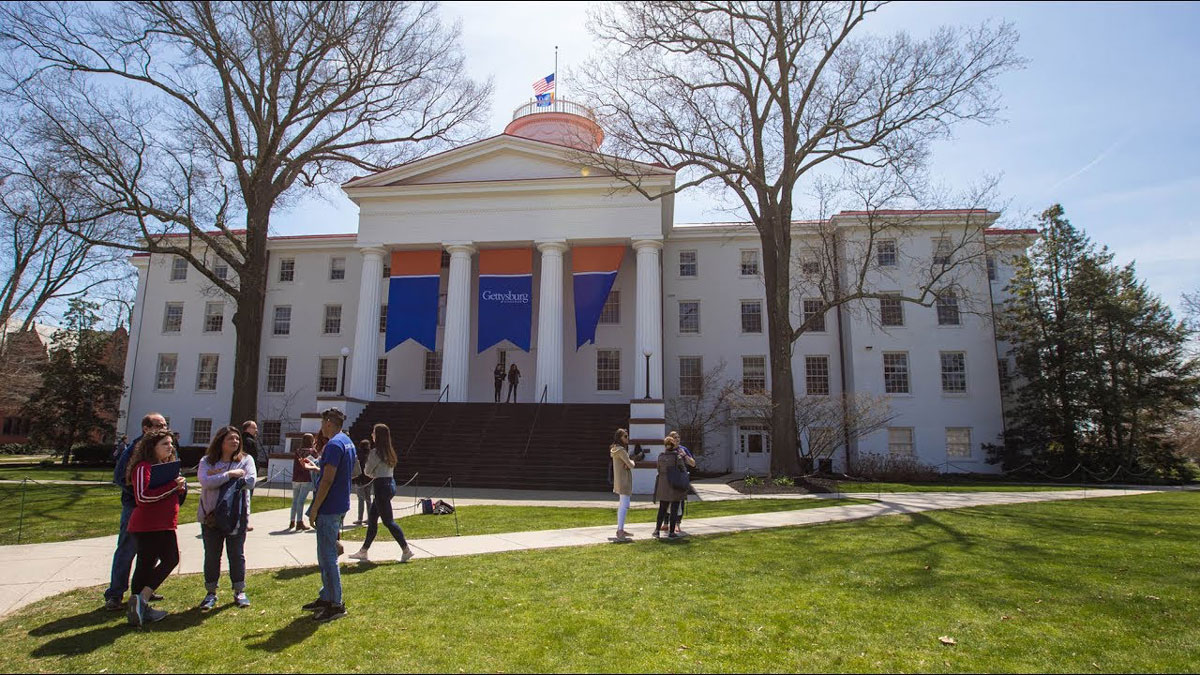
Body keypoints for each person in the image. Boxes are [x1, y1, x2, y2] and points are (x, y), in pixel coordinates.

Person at [125, 427, 188, 627]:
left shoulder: (165, 467)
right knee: (166, 559)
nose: (170, 447)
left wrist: (180, 489)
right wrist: (172, 487)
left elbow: (171, 496)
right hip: (149, 524)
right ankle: (141, 601)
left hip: (164, 523)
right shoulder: (144, 467)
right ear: (152, 447)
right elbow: (143, 497)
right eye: (165, 444)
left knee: (151, 562)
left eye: (171, 444)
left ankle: (138, 604)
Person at [104, 413, 166, 612]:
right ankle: (115, 594)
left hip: (156, 508)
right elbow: (120, 477)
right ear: (145, 428)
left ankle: (143, 590)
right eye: (158, 425)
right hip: (135, 507)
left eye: (165, 425)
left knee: (151, 551)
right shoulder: (135, 448)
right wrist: (141, 494)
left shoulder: (164, 447)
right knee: (127, 549)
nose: (163, 428)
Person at [300, 408, 356, 622]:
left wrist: (314, 507)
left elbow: (328, 480)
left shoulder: (333, 445)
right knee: (325, 554)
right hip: (339, 503)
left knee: (328, 556)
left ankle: (336, 604)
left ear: (330, 423)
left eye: (323, 423)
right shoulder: (346, 442)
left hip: (329, 506)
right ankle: (326, 596)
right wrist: (317, 468)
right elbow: (336, 473)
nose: (321, 427)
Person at [196, 426, 256, 610]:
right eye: (231, 439)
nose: (235, 442)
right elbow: (205, 481)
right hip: (210, 516)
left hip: (236, 516)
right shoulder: (207, 461)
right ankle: (210, 592)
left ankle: (239, 591)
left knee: (236, 554)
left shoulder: (246, 460)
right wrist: (230, 475)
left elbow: (250, 481)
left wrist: (219, 477)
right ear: (221, 441)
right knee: (212, 555)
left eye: (237, 439)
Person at [349, 424, 415, 563]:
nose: (372, 434)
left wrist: (373, 472)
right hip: (390, 484)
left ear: (377, 436)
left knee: (388, 521)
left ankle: (406, 549)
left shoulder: (375, 453)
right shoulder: (389, 452)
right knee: (372, 520)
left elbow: (367, 471)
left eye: (373, 432)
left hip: (381, 487)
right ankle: (364, 551)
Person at [654, 436, 688, 539]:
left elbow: (658, 470)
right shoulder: (677, 457)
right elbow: (683, 469)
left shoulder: (660, 457)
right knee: (674, 508)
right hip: (674, 485)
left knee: (662, 509)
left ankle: (657, 530)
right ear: (673, 446)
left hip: (663, 485)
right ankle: (671, 532)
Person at [668, 430, 697, 535]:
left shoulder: (683, 449)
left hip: (681, 480)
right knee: (668, 502)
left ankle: (677, 523)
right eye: (675, 437)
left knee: (680, 502)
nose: (677, 439)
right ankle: (666, 523)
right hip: (669, 480)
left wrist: (685, 456)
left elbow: (693, 464)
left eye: (678, 437)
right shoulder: (667, 450)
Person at [610, 428, 636, 541]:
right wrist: (632, 462)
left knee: (623, 504)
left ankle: (621, 528)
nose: (627, 438)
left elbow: (626, 464)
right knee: (624, 505)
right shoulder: (621, 450)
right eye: (625, 436)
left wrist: (628, 463)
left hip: (620, 479)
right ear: (619, 438)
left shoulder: (615, 449)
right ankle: (620, 530)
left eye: (627, 436)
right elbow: (631, 464)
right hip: (624, 480)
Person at [288, 434, 317, 531]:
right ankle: (299, 522)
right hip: (306, 478)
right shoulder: (312, 451)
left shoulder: (297, 451)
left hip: (296, 478)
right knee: (301, 501)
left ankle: (292, 520)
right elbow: (316, 461)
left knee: (295, 500)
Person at [241, 420, 262, 532]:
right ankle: (245, 522)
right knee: (246, 499)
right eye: (254, 428)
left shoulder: (240, 440)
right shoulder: (249, 441)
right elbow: (252, 459)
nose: (256, 430)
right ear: (248, 429)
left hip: (241, 474)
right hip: (248, 475)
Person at [352, 439, 374, 526]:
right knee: (368, 499)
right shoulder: (371, 455)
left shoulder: (358, 455)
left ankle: (360, 518)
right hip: (369, 479)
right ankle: (370, 518)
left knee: (361, 499)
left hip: (360, 479)